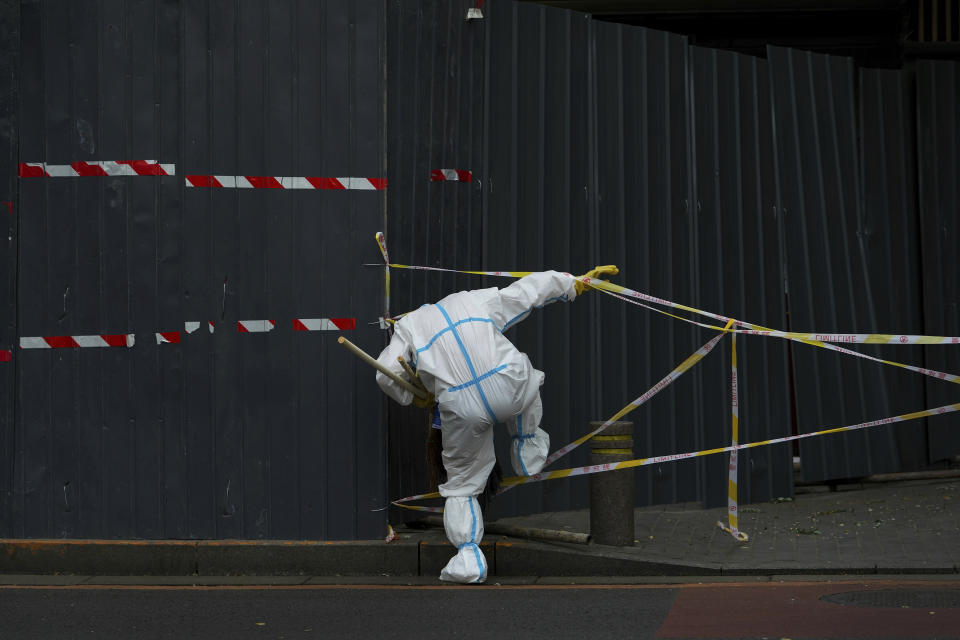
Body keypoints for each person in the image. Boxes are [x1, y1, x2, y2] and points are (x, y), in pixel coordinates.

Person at [375, 266, 618, 584]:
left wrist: (413, 396)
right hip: (510, 384)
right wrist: (572, 284)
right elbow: (525, 293)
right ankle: (527, 446)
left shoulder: (408, 328)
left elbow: (384, 372)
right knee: (527, 382)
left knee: (462, 483)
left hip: (463, 407)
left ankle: (468, 559)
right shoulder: (471, 300)